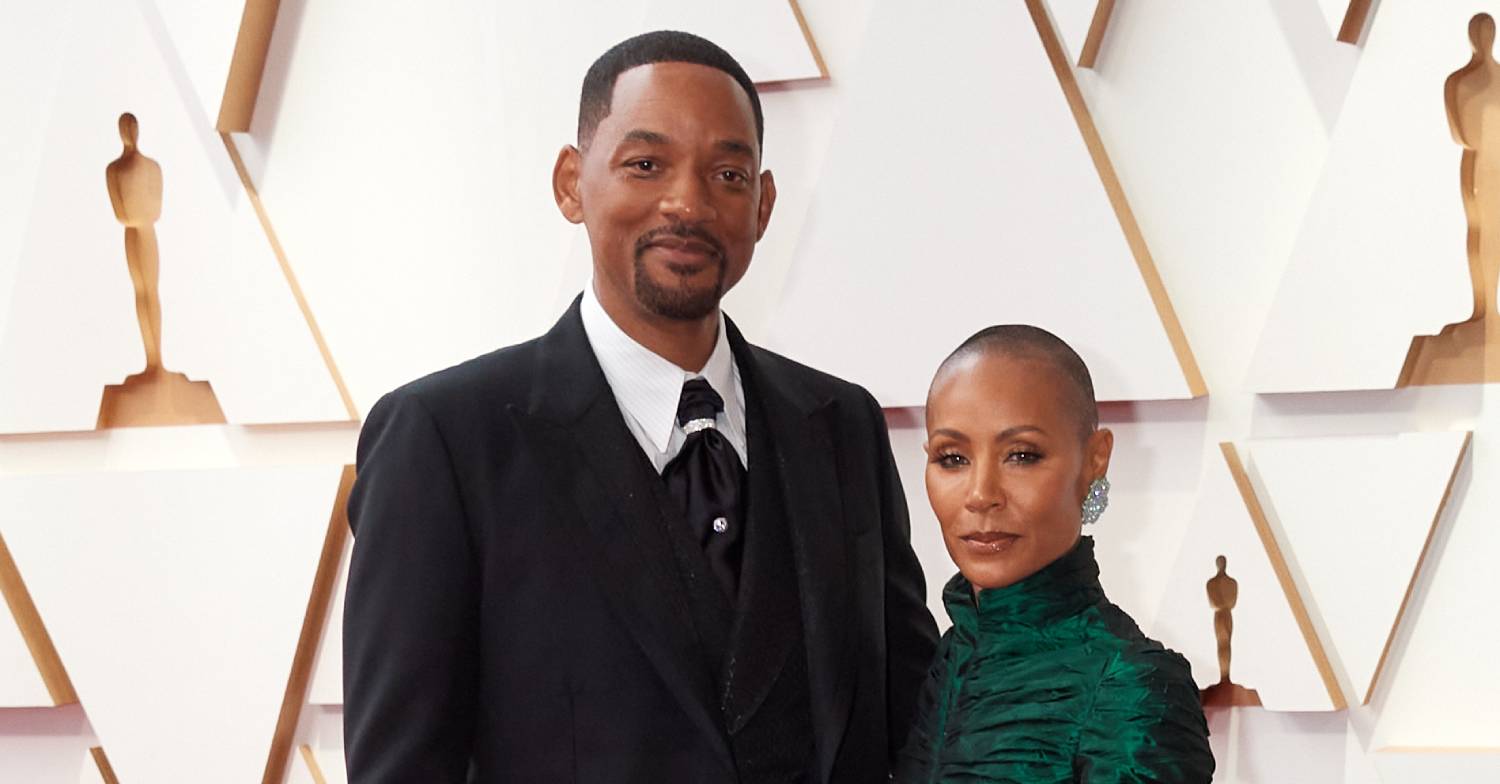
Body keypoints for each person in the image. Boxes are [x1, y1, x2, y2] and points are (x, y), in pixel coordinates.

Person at [342, 30, 939, 783]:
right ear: (571, 183)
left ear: (762, 205)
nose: (688, 203)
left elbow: (913, 727)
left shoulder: (842, 424)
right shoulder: (443, 441)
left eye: (727, 173)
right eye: (646, 164)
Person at [895, 326, 1213, 783]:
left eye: (1022, 455)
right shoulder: (944, 660)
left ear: (1095, 458)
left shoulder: (1131, 686)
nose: (981, 495)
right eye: (953, 459)